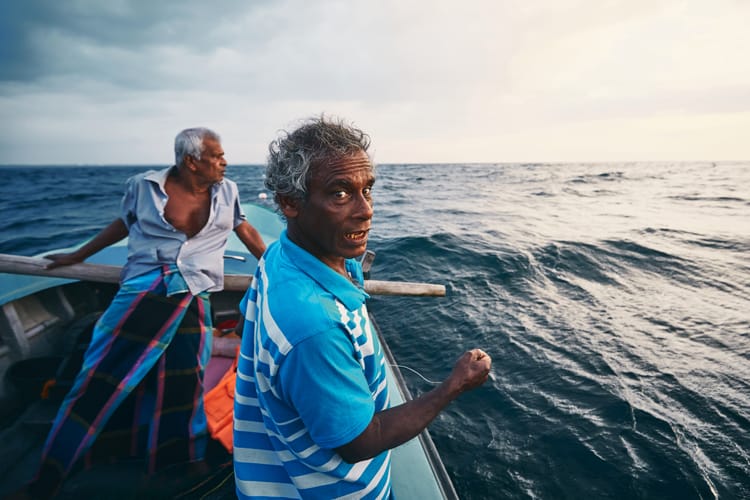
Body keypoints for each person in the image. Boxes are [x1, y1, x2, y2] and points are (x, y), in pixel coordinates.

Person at [233, 116, 492, 499]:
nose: (365, 209)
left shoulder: (278, 255)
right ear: (290, 203)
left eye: (367, 190)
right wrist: (453, 386)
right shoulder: (314, 325)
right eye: (340, 193)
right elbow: (359, 443)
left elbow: (245, 321)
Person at [23, 127, 266, 498]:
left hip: (193, 296)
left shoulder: (227, 191)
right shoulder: (144, 186)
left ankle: (176, 463)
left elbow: (244, 228)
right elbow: (122, 224)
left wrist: (273, 264)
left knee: (184, 383)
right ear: (191, 161)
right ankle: (48, 476)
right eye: (216, 156)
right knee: (99, 379)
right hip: (143, 294)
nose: (225, 162)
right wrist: (77, 257)